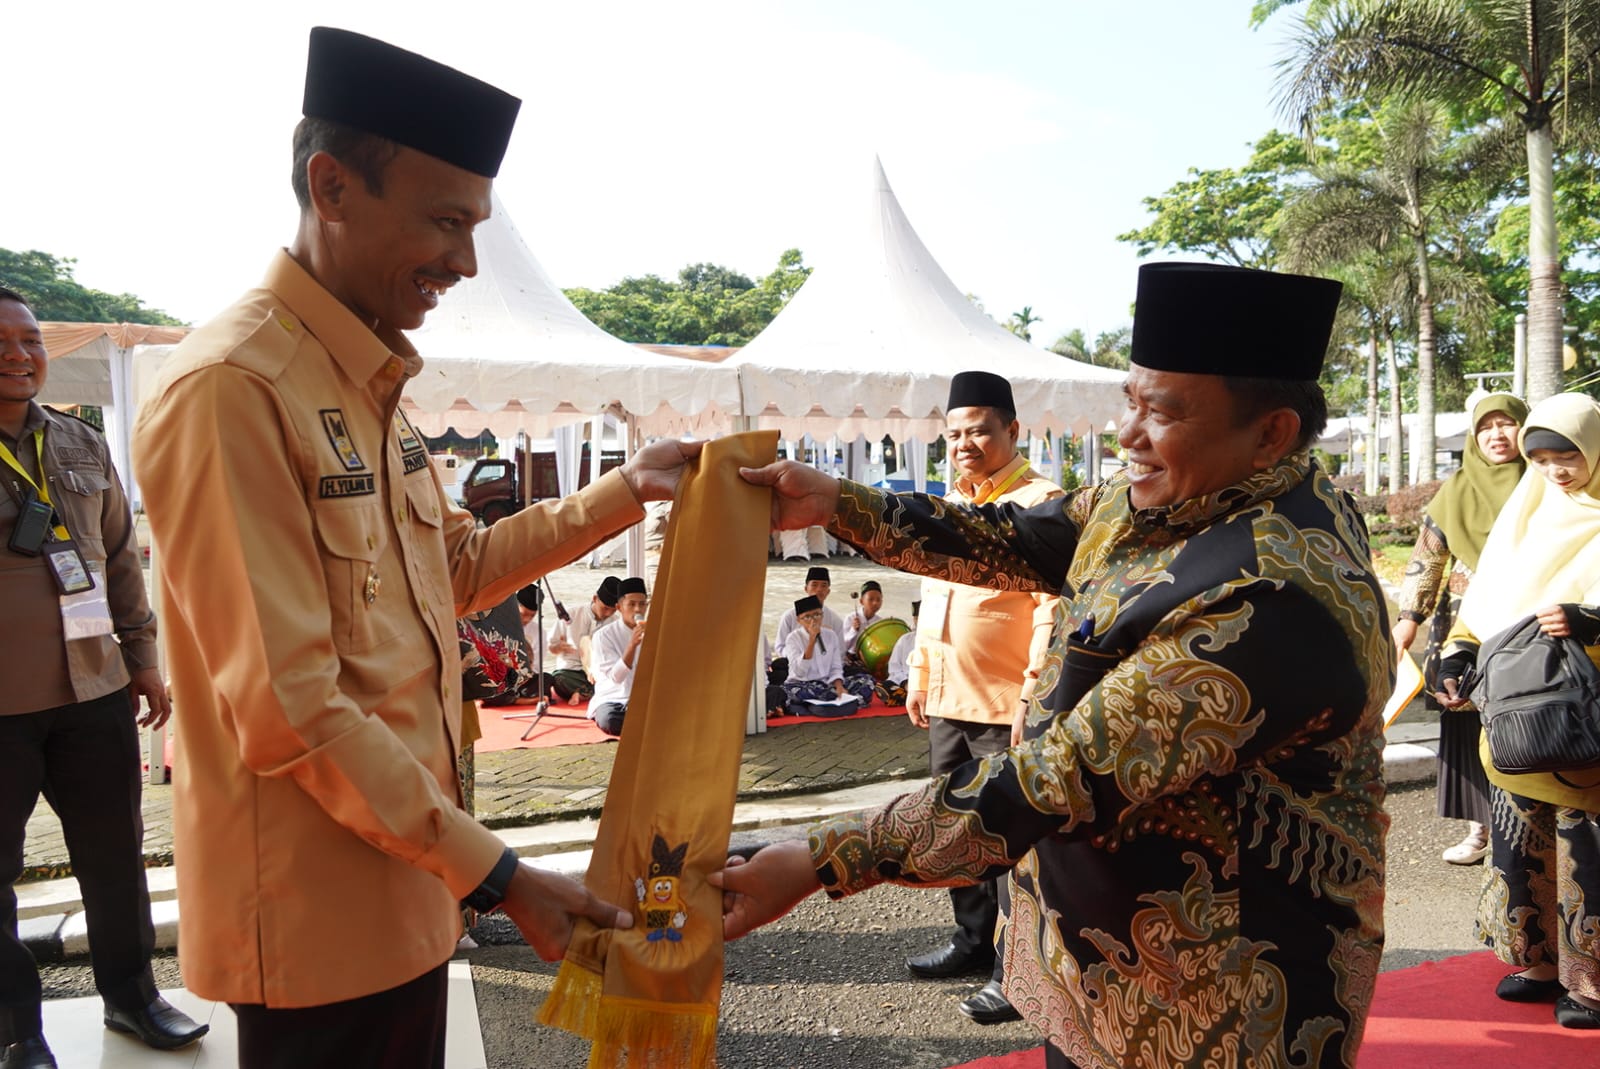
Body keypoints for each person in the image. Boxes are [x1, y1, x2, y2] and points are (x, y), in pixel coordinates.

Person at [131, 29, 697, 1068]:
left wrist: (627, 490)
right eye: (445, 221)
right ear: (332, 186)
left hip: (410, 887)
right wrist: (502, 875)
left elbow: (458, 570)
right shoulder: (232, 389)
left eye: (474, 226)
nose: (466, 263)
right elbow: (289, 707)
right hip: (313, 920)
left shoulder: (365, 379)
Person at [712, 262, 1391, 1069]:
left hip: (1224, 997)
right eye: (1130, 401)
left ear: (1272, 433)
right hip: (1100, 968)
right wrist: (838, 503)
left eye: (1162, 412)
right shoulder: (1163, 497)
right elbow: (1012, 537)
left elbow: (1057, 776)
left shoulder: (1278, 593)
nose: (1127, 434)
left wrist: (821, 856)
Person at [0, 289, 207, 1069]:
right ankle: (16, 1030)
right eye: (0, 341)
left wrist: (143, 658)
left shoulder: (80, 441)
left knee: (116, 855)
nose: (18, 354)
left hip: (93, 690)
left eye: (29, 339)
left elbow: (120, 554)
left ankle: (133, 995)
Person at [900, 370, 1065, 1025]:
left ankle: (1017, 972)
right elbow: (933, 593)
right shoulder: (951, 500)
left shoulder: (1040, 502)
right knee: (955, 829)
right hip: (948, 698)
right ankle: (973, 940)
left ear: (1012, 430)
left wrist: (1033, 691)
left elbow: (1052, 606)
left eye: (979, 431)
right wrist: (920, 672)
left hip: (1004, 706)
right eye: (954, 434)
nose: (965, 444)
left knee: (1011, 845)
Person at [1433, 392, 1600, 1029]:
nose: (1556, 470)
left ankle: (1591, 983)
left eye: (1568, 456)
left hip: (1585, 718)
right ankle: (1539, 963)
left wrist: (1591, 620)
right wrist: (1455, 657)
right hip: (1515, 717)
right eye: (1543, 458)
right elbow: (1485, 606)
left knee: (1585, 847)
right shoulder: (1525, 515)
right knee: (1520, 841)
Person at [1392, 392, 1528, 865]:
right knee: (1466, 713)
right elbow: (1427, 560)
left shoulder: (1544, 484)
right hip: (1466, 628)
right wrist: (1408, 620)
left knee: (1527, 717)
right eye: (1486, 426)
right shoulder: (1455, 491)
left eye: (1506, 424)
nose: (1496, 434)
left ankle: (1529, 831)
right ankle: (1480, 829)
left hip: (1529, 622)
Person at [780, 596, 877, 711]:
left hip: (827, 683)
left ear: (822, 615)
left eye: (817, 615)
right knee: (794, 692)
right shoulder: (793, 638)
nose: (813, 620)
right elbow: (799, 672)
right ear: (799, 620)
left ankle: (834, 701)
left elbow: (836, 667)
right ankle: (848, 702)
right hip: (803, 684)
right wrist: (812, 640)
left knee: (867, 681)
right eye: (807, 617)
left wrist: (839, 687)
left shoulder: (831, 635)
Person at [589, 577, 649, 737]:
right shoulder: (603, 636)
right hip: (614, 699)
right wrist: (632, 645)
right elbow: (616, 677)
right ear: (619, 607)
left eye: (642, 604)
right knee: (610, 720)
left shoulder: (655, 631)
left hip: (644, 697)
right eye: (631, 604)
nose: (638, 609)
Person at [546, 576, 620, 705]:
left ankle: (582, 693)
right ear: (595, 598)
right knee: (558, 679)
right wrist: (558, 648)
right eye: (605, 608)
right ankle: (586, 692)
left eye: (613, 610)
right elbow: (550, 646)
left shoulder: (615, 623)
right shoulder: (572, 614)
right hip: (572, 671)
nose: (608, 613)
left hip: (599, 673)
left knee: (616, 679)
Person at [773, 565, 845, 651]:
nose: (819, 589)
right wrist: (797, 656)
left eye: (823, 586)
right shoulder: (790, 616)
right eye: (814, 585)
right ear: (806, 588)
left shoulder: (835, 620)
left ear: (828, 591)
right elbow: (780, 647)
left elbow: (840, 650)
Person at [878, 600, 920, 707]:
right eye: (917, 618)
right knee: (885, 686)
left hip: (928, 685)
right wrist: (905, 683)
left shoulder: (939, 642)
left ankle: (911, 698)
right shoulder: (905, 639)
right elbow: (894, 669)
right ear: (914, 619)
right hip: (906, 683)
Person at [841, 580, 885, 650]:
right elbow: (842, 646)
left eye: (878, 599)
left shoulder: (880, 622)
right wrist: (853, 630)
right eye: (871, 599)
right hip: (850, 656)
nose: (875, 603)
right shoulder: (850, 618)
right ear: (861, 601)